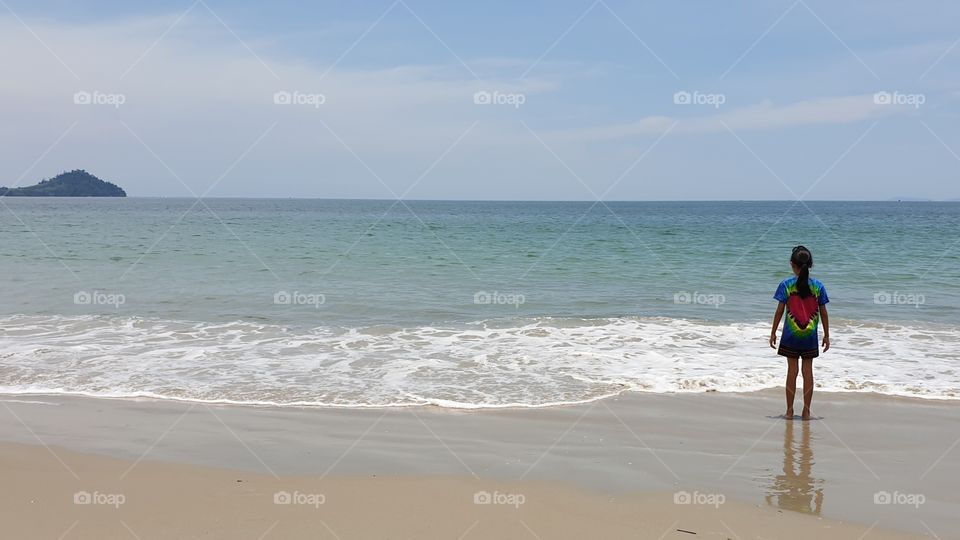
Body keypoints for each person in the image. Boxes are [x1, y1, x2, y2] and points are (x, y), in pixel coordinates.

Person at [769, 245, 830, 420]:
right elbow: (824, 313)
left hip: (791, 337)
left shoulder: (786, 285)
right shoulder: (818, 286)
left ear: (792, 264)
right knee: (808, 372)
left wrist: (773, 332)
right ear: (809, 265)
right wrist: (826, 334)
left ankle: (789, 411)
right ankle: (806, 411)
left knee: (792, 372)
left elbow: (779, 311)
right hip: (810, 337)